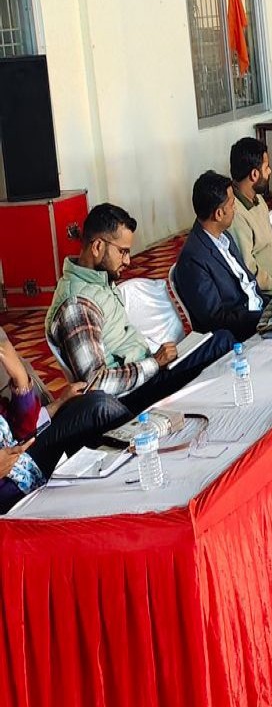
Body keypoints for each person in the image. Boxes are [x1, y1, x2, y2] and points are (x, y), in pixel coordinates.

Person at [46, 203, 233, 415]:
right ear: (97, 246)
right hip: (132, 396)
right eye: (122, 252)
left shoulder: (97, 280)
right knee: (221, 343)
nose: (128, 261)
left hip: (145, 374)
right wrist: (154, 363)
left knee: (217, 340)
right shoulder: (76, 305)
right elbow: (96, 383)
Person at [1, 333, 132, 514]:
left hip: (25, 460)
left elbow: (21, 430)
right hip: (10, 492)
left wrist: (20, 379)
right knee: (99, 408)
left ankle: (142, 457)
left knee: (97, 405)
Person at [172, 170, 265, 341]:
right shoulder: (193, 260)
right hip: (243, 332)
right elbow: (215, 318)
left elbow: (247, 283)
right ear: (219, 214)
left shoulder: (224, 237)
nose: (235, 208)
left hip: (260, 312)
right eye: (232, 204)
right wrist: (263, 318)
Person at [227, 137, 272, 295]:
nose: (270, 171)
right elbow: (249, 270)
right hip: (270, 295)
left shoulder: (258, 200)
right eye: (266, 168)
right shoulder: (235, 215)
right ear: (254, 174)